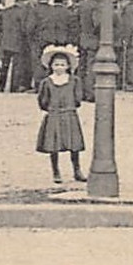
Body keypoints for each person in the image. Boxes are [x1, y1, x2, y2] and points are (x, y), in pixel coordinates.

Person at [36, 45, 87, 184]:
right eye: (56, 64)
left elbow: (78, 99)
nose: (59, 67)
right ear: (51, 66)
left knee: (74, 145)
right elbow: (42, 100)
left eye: (62, 65)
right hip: (54, 115)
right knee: (53, 145)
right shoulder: (47, 82)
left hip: (70, 114)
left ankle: (77, 170)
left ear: (68, 66)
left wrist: (70, 107)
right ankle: (56, 171)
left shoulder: (74, 81)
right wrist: (51, 109)